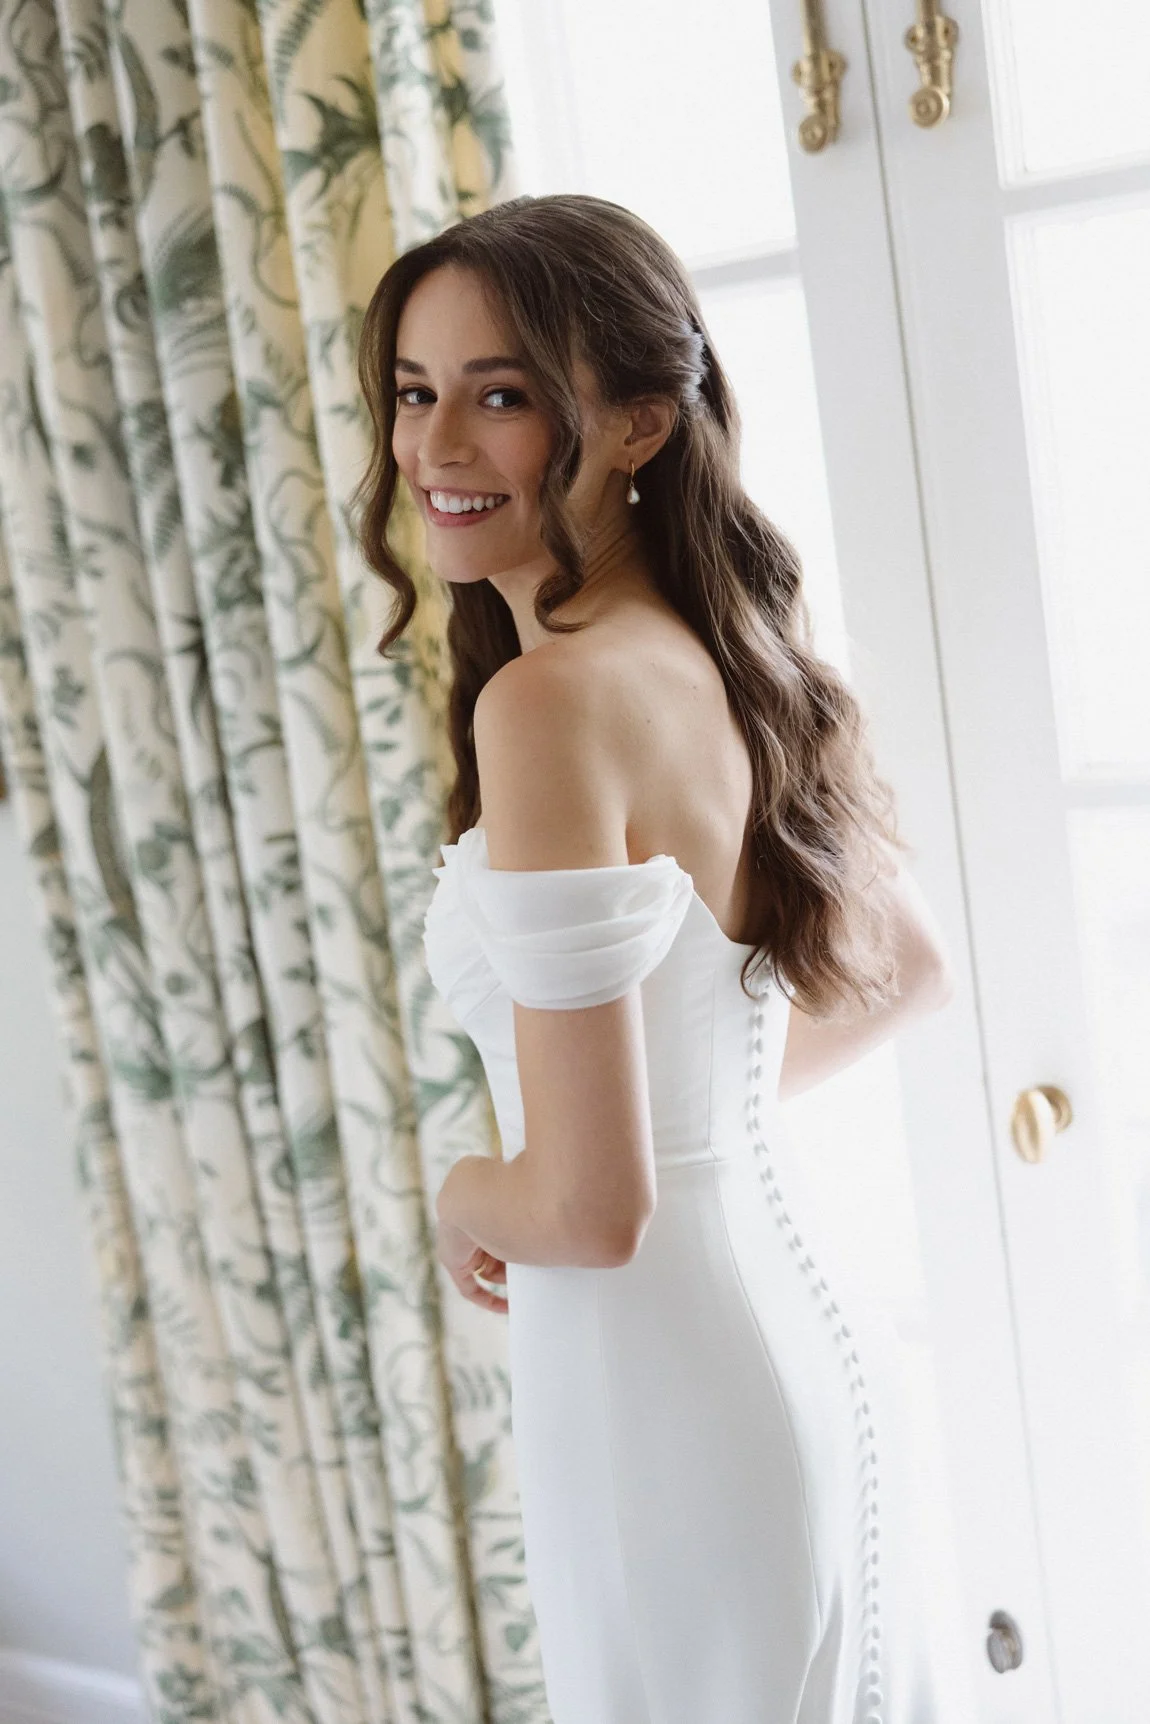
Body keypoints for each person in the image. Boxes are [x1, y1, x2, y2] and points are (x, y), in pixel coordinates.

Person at [355, 193, 960, 1724]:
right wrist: (697, 1122)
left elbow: (587, 1205)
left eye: (500, 395)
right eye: (414, 394)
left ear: (634, 422)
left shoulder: (550, 706)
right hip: (768, 1357)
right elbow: (904, 966)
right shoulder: (722, 650)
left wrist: (463, 1194)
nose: (434, 447)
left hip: (670, 1402)